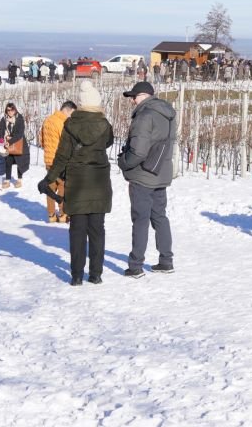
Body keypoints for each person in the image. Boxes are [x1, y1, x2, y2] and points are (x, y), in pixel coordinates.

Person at [44, 80, 114, 286]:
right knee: (97, 230)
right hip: (99, 182)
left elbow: (61, 156)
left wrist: (49, 179)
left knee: (77, 230)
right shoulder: (105, 125)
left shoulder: (70, 124)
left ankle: (76, 275)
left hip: (77, 183)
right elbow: (109, 142)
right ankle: (96, 274)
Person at [118, 80, 177, 277]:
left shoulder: (145, 116)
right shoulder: (167, 114)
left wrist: (123, 162)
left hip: (142, 175)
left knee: (140, 219)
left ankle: (136, 265)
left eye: (133, 97)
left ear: (143, 96)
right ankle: (166, 261)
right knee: (160, 216)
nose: (132, 101)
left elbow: (138, 151)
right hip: (160, 172)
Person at [41, 100, 76, 223]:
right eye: (72, 113)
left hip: (49, 160)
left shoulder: (47, 120)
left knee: (50, 187)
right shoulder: (63, 123)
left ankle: (51, 215)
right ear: (66, 110)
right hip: (60, 160)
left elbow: (41, 140)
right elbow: (67, 142)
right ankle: (62, 214)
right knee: (62, 186)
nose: (71, 116)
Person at [0, 102, 30, 188]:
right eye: (8, 110)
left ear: (15, 110)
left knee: (20, 161)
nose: (10, 112)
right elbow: (1, 130)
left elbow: (20, 134)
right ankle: (7, 180)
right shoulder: (4, 119)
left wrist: (10, 141)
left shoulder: (19, 118)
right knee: (8, 161)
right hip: (7, 143)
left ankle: (19, 180)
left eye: (12, 110)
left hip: (18, 142)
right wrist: (1, 140)